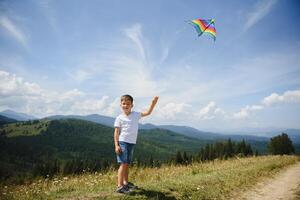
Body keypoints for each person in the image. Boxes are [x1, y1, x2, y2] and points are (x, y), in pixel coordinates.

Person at [114, 94, 159, 193]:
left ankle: (125, 182)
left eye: (128, 104)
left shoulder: (135, 115)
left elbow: (148, 113)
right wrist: (116, 145)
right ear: (120, 105)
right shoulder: (119, 118)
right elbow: (116, 132)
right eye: (124, 103)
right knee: (123, 163)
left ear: (132, 105)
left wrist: (153, 103)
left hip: (131, 143)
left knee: (127, 164)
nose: (125, 105)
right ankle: (120, 186)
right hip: (122, 142)